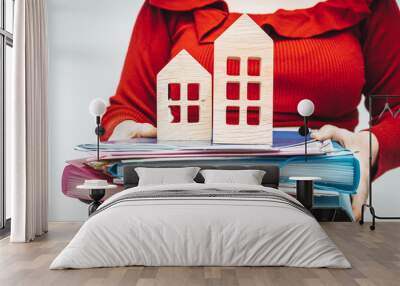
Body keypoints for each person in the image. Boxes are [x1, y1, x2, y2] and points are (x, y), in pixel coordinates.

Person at [100, 0, 400, 221]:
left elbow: (396, 109)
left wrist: (373, 142)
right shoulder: (167, 6)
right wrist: (125, 134)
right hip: (181, 207)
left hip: (321, 209)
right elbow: (130, 107)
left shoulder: (368, 5)